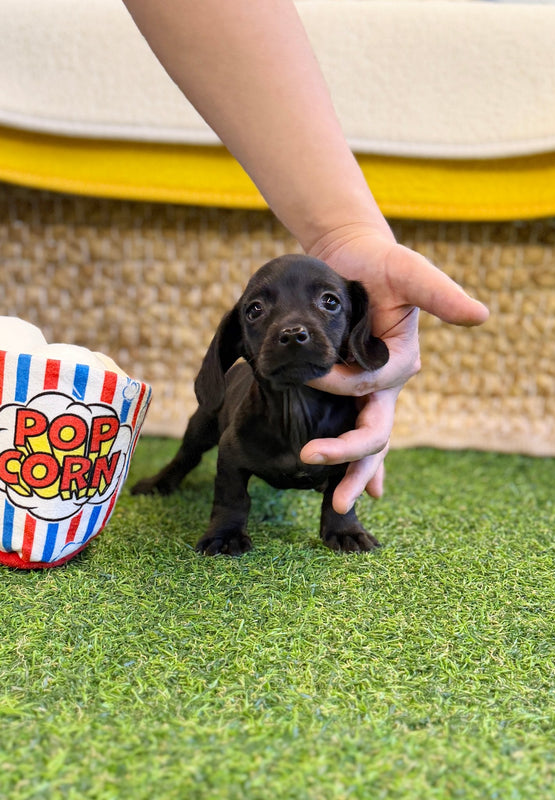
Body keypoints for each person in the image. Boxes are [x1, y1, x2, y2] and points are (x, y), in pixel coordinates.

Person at [122, 0, 489, 515]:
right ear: (236, 343)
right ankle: (176, 467)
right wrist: (228, 519)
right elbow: (230, 451)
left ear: (360, 324)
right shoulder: (241, 414)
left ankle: (335, 521)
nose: (294, 328)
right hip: (250, 428)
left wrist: (349, 232)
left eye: (328, 303)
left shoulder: (348, 399)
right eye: (258, 311)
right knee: (202, 432)